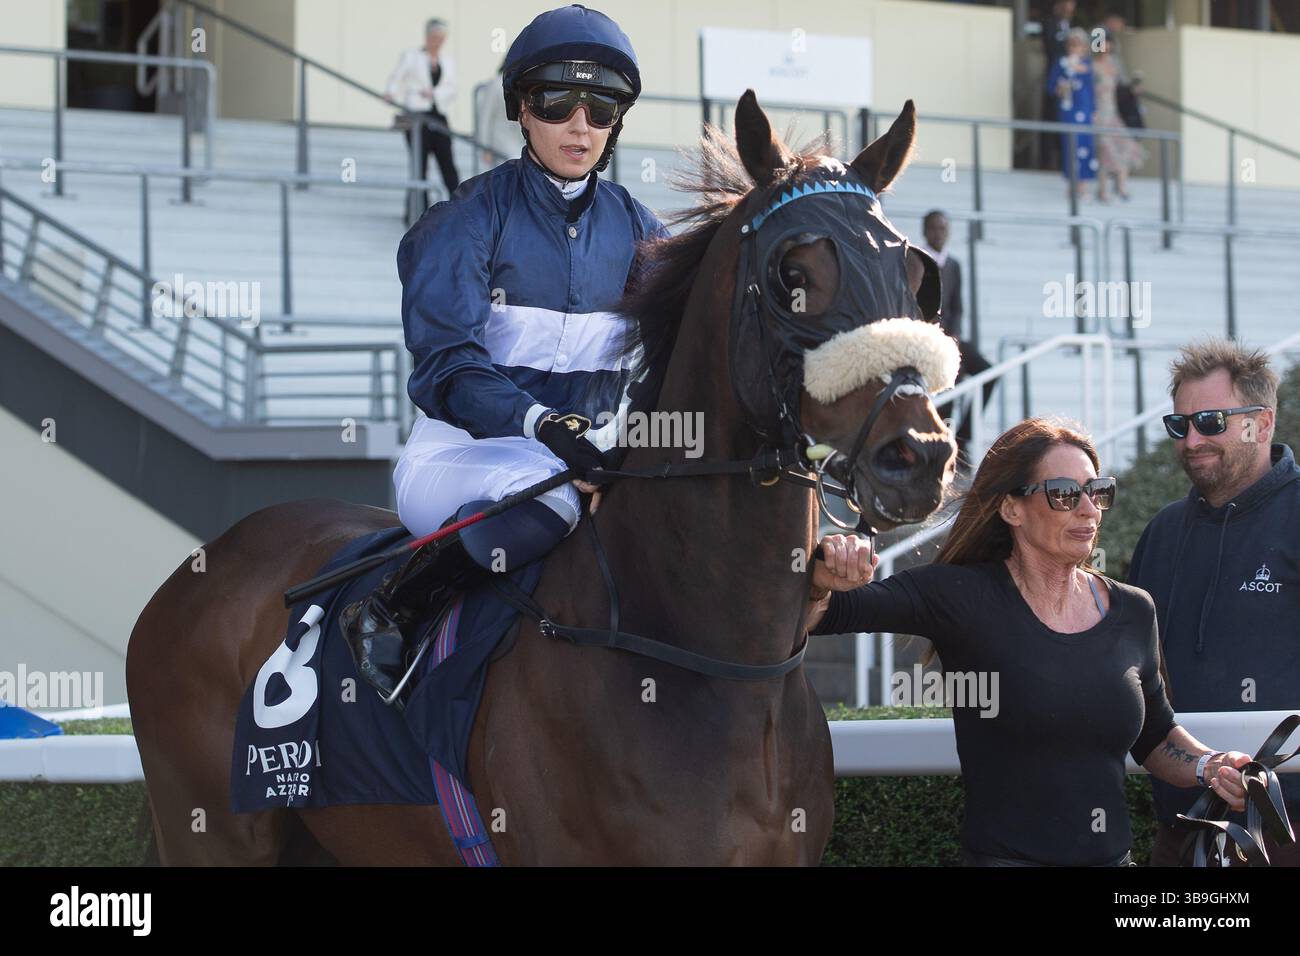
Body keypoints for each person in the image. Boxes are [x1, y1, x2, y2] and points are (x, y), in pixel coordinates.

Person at [345, 4, 665, 699]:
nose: (581, 125)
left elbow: (674, 363)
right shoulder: (460, 224)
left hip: (585, 457)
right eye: (557, 102)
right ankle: (393, 607)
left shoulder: (646, 235)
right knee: (552, 504)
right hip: (464, 457)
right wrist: (546, 427)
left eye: (602, 107)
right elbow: (446, 368)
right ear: (522, 108)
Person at [807, 417, 1253, 866]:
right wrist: (823, 577)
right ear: (1011, 509)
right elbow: (820, 617)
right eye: (1063, 494)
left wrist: (1209, 765)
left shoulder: (1134, 610)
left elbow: (1155, 735)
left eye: (1096, 491)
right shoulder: (960, 595)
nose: (1088, 509)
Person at [1128, 340, 1300, 866]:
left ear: (1262, 423)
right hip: (1181, 830)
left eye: (1211, 420)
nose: (1193, 439)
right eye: (1180, 425)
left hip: (1287, 828)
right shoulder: (1160, 534)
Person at [918, 210, 992, 466]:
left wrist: (955, 337)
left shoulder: (954, 264)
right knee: (949, 382)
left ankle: (964, 437)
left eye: (943, 229)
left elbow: (957, 307)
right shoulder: (917, 260)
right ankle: (941, 444)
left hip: (952, 337)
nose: (939, 234)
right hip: (928, 338)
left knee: (988, 373)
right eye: (934, 229)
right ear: (925, 231)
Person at [386, 18, 460, 217]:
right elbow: (396, 78)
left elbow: (452, 88)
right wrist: (391, 93)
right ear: (427, 36)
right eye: (434, 36)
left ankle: (461, 209)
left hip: (438, 116)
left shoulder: (448, 61)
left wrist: (434, 94)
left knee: (448, 164)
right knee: (419, 166)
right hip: (416, 117)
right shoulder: (411, 57)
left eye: (441, 37)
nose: (438, 41)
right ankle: (417, 212)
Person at [1092, 29, 1145, 202]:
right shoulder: (1090, 65)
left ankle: (1121, 186)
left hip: (1113, 113)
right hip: (1097, 113)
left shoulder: (1114, 64)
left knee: (1126, 146)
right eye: (1101, 43)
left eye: (1107, 42)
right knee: (1105, 152)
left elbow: (1121, 88)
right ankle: (1103, 190)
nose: (1105, 46)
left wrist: (1133, 89)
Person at [1046, 27, 1098, 200]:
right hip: (1068, 109)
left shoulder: (1088, 65)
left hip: (1085, 109)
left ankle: (1083, 186)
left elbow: (1091, 89)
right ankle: (1071, 186)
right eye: (1072, 44)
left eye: (1079, 44)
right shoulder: (1060, 63)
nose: (1075, 48)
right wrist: (1060, 87)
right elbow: (1051, 87)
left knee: (1086, 145)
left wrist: (1094, 110)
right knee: (1070, 146)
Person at [1038, 0, 1076, 171]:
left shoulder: (1075, 26)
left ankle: (1066, 162)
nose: (1069, 8)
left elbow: (1092, 46)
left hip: (1074, 82)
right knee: (1050, 118)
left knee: (1069, 121)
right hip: (1055, 77)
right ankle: (1046, 163)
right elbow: (1051, 48)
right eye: (1066, 4)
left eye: (1072, 4)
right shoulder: (1049, 23)